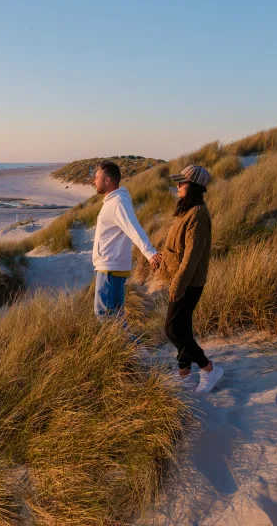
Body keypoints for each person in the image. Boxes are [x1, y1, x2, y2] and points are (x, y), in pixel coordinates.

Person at [164, 165, 223, 394]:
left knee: (172, 330)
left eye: (182, 182)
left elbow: (192, 256)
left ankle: (208, 369)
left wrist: (178, 284)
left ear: (194, 186)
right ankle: (184, 373)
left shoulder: (197, 214)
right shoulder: (187, 210)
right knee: (182, 328)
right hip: (182, 279)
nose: (178, 186)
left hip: (188, 282)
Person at [92, 161, 162, 325]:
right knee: (115, 314)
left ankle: (126, 342)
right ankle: (126, 341)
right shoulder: (113, 201)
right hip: (112, 266)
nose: (94, 181)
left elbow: (133, 228)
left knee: (104, 313)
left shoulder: (117, 202)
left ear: (107, 180)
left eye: (97, 177)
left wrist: (150, 253)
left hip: (110, 267)